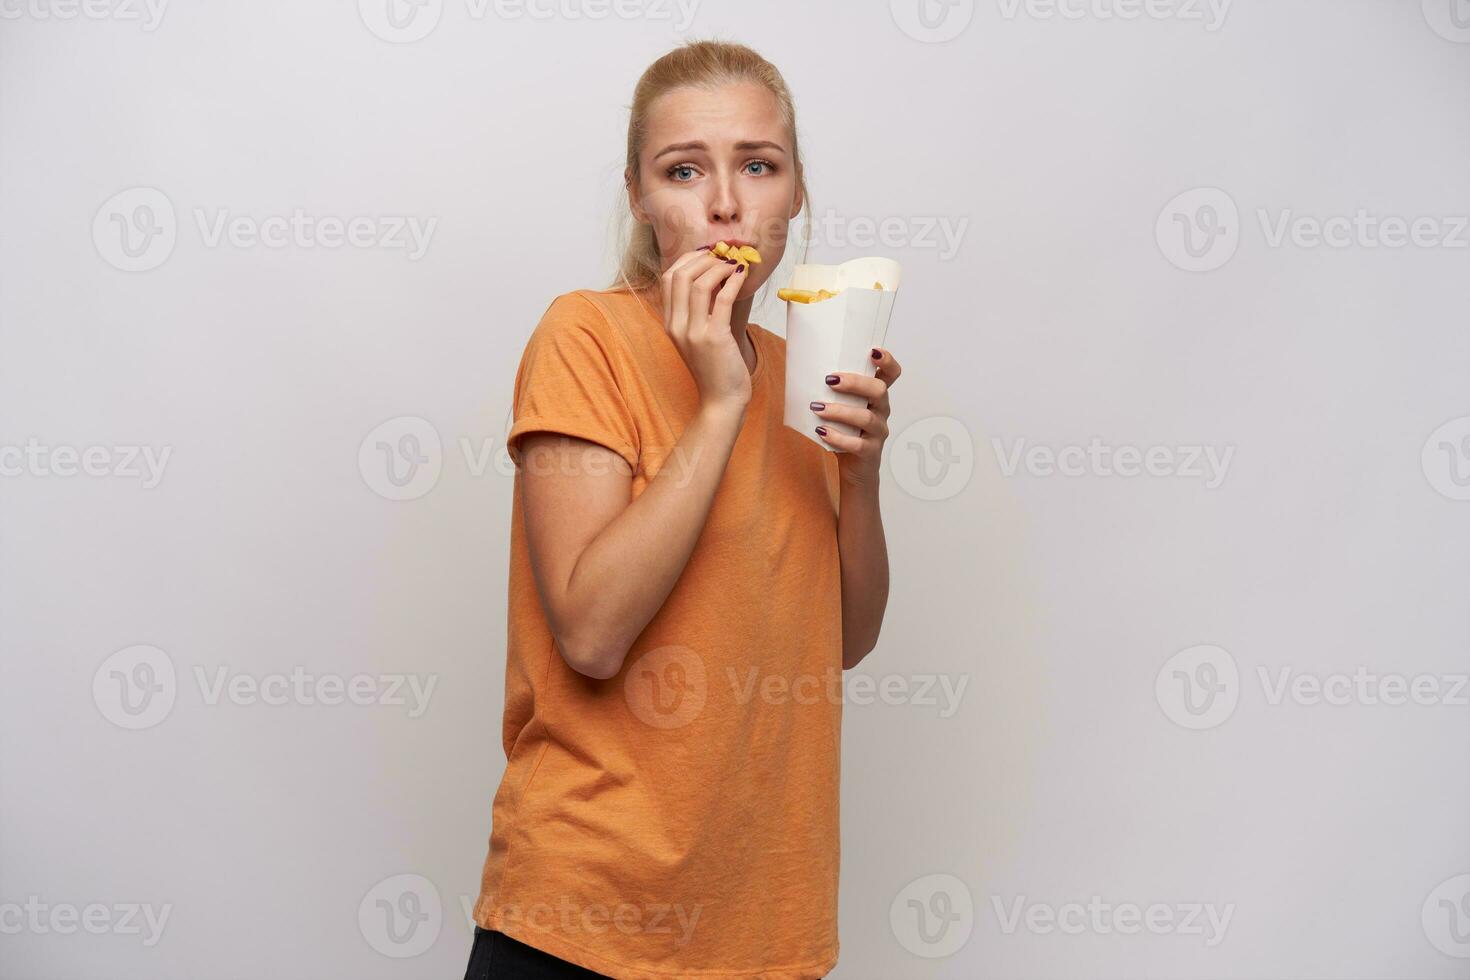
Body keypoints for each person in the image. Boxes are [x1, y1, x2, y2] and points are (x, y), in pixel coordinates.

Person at [465, 38, 900, 980]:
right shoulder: (585, 335)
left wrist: (861, 478)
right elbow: (589, 632)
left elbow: (843, 640)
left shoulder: (802, 370)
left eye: (758, 165)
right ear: (638, 197)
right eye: (683, 170)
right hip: (586, 919)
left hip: (764, 926)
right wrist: (718, 405)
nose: (725, 203)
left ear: (795, 193)